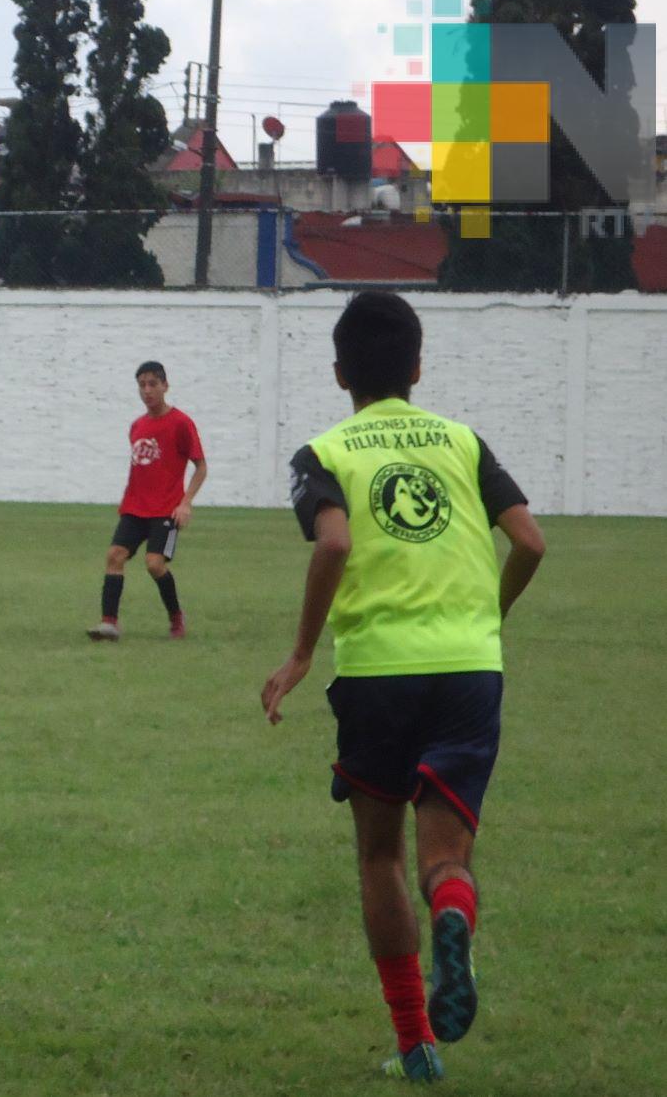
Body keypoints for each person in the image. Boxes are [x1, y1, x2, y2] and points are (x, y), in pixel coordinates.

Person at [260, 291, 545, 1083]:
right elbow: (530, 540)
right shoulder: (460, 441)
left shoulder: (325, 453)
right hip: (467, 667)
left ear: (339, 372)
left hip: (379, 672)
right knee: (444, 855)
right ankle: (453, 907)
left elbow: (335, 543)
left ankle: (417, 1043)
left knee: (380, 855)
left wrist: (302, 652)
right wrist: (488, 617)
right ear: (418, 367)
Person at [88, 361, 205, 641]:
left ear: (165, 385)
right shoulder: (137, 426)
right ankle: (109, 624)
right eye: (142, 385)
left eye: (153, 384)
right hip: (134, 507)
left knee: (154, 564)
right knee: (114, 557)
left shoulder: (181, 423)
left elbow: (200, 467)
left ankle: (176, 616)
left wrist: (185, 503)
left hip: (166, 509)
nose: (147, 390)